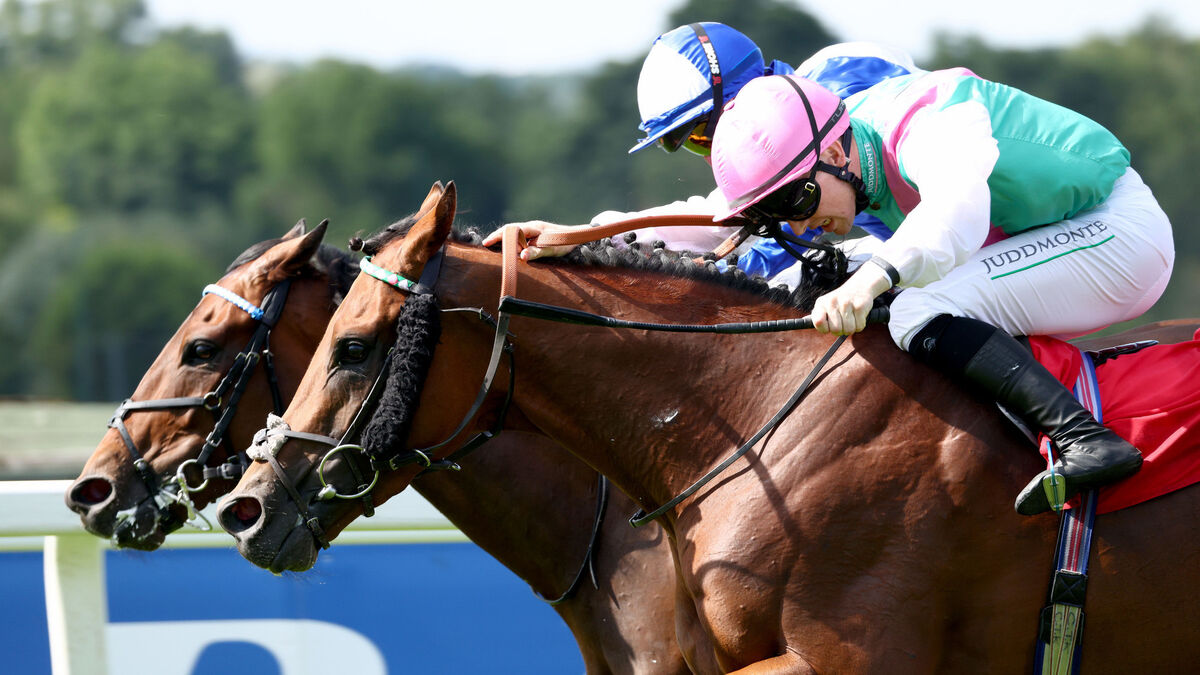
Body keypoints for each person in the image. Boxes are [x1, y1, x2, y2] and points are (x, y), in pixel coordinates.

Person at [708, 71, 1174, 515]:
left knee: (916, 308)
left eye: (795, 200)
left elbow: (956, 213)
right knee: (846, 276)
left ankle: (1085, 439)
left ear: (832, 153)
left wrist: (868, 282)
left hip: (1117, 232)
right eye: (777, 212)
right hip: (1047, 232)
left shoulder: (925, 121)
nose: (798, 226)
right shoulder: (848, 142)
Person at [486, 23, 919, 280]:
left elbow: (773, 235)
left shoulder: (837, 85)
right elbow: (715, 219)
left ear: (734, 101)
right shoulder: (798, 111)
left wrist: (719, 273)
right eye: (693, 145)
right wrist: (580, 236)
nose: (715, 157)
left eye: (701, 135)